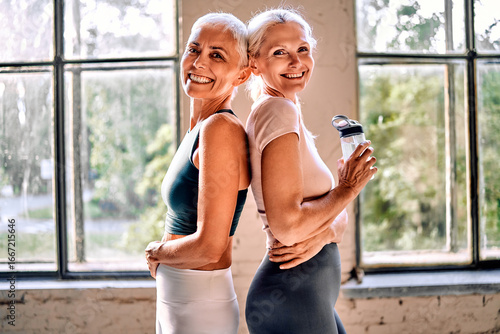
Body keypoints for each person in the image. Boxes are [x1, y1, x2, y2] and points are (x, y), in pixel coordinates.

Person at [244, 8, 377, 334]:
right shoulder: (277, 111)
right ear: (255, 62)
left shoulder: (285, 109)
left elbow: (334, 221)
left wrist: (325, 230)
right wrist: (346, 189)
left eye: (302, 49)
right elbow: (288, 227)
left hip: (304, 294)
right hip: (291, 295)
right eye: (280, 53)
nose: (296, 61)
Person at [145, 12, 251, 334]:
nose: (199, 62)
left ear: (242, 75)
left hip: (199, 303)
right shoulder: (201, 126)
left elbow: (209, 246)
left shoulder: (221, 128)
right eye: (194, 49)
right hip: (179, 297)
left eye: (216, 55)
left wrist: (156, 252)